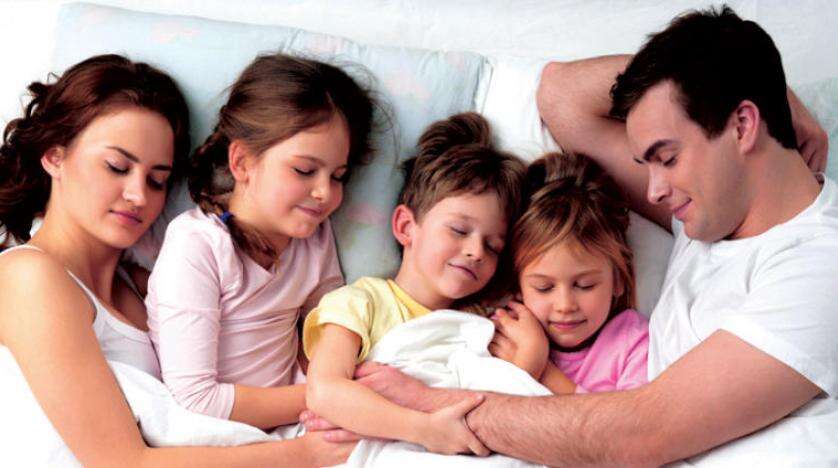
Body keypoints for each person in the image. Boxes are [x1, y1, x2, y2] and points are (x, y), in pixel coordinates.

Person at [305, 7, 838, 465]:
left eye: (668, 157)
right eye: (648, 165)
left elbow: (640, 434)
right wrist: (766, 88)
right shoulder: (708, 215)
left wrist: (425, 404)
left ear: (743, 126)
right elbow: (560, 93)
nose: (653, 191)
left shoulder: (821, 263)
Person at [0, 54, 352, 467]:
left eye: (158, 180)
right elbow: (121, 462)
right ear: (54, 156)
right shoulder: (28, 276)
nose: (138, 196)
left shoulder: (140, 283)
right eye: (117, 167)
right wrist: (304, 452)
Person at [144, 53, 375, 430]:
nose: (324, 192)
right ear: (242, 162)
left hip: (292, 422)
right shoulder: (198, 245)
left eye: (338, 176)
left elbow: (326, 331)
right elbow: (196, 399)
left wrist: (341, 382)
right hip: (212, 433)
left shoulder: (314, 237)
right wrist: (331, 397)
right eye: (304, 170)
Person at [302, 112, 526, 455]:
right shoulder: (361, 302)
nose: (476, 251)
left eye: (493, 246)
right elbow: (324, 391)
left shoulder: (485, 324)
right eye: (459, 230)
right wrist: (424, 429)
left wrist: (531, 357)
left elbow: (512, 397)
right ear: (407, 227)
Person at [490, 152, 648, 395]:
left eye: (585, 285)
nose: (565, 305)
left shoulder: (633, 342)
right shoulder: (503, 333)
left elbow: (630, 420)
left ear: (618, 278)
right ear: (517, 285)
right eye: (544, 288)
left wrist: (543, 371)